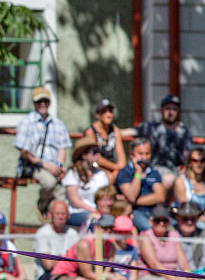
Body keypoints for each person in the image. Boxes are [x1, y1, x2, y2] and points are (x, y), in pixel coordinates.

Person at [14, 86, 72, 214]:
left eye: (45, 101)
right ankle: (43, 206)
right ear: (34, 103)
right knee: (49, 182)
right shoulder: (26, 122)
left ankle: (55, 215)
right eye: (39, 102)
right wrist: (44, 164)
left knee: (69, 181)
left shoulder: (58, 124)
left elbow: (62, 149)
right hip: (33, 166)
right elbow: (24, 153)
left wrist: (58, 166)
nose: (42, 104)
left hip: (53, 165)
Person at [136, 94, 192, 191]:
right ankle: (161, 205)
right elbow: (132, 131)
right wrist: (113, 130)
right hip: (154, 168)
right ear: (161, 110)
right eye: (167, 109)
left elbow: (187, 155)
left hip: (176, 170)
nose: (171, 112)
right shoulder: (152, 127)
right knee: (168, 179)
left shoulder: (183, 132)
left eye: (174, 109)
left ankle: (166, 205)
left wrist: (186, 168)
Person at [116, 137, 166, 232]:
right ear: (131, 155)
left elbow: (160, 196)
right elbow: (131, 196)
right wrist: (138, 172)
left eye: (147, 154)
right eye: (141, 154)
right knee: (149, 229)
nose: (144, 157)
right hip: (134, 212)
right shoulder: (124, 173)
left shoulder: (153, 172)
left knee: (170, 229)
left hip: (153, 211)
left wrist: (131, 200)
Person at [63, 136, 111, 227]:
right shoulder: (73, 173)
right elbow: (75, 201)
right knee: (95, 222)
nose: (98, 155)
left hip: (97, 213)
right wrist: (93, 210)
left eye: (98, 152)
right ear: (83, 155)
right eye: (94, 152)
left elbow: (105, 195)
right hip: (76, 212)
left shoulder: (101, 174)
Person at [83, 98, 126, 175]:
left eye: (110, 111)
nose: (108, 115)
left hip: (112, 169)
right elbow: (96, 158)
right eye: (104, 112)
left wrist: (116, 170)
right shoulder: (90, 131)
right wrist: (116, 167)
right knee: (106, 177)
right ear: (97, 115)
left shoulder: (115, 130)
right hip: (94, 167)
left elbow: (122, 159)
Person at [173, 148, 205, 226]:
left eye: (202, 161)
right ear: (189, 163)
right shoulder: (181, 182)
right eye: (195, 161)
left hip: (203, 222)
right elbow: (185, 209)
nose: (199, 164)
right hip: (185, 221)